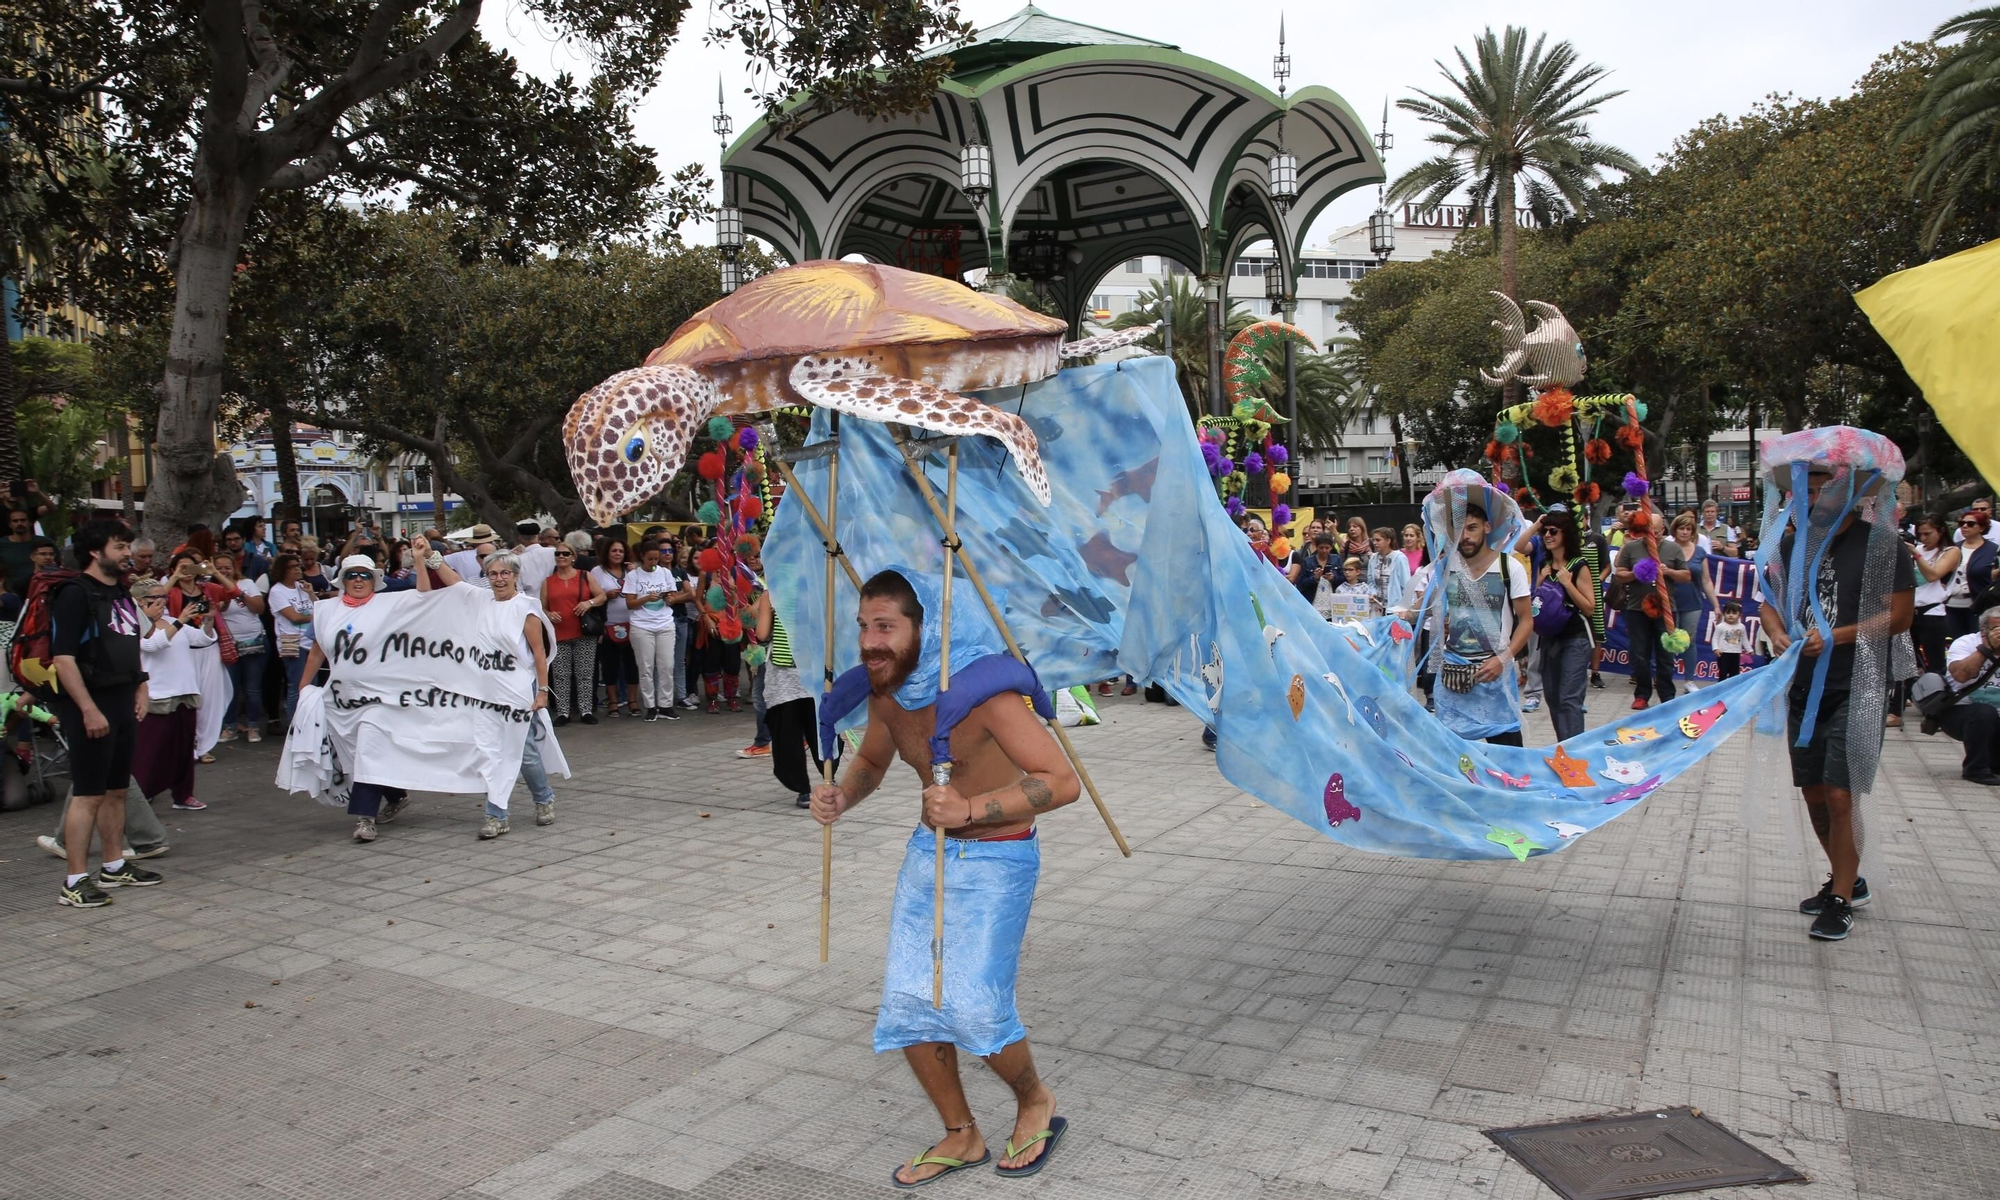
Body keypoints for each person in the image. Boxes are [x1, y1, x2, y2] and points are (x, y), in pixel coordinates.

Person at [809, 569, 1081, 1184]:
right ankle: (962, 1134)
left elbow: (1062, 781)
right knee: (910, 1004)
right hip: (926, 856)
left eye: (885, 627)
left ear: (924, 628)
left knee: (976, 1008)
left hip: (1000, 858)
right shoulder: (889, 693)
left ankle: (1035, 1100)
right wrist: (843, 796)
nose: (869, 642)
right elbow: (872, 758)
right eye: (863, 626)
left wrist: (971, 809)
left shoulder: (984, 695)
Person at [1762, 454, 1916, 942]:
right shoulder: (1791, 545)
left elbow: (1900, 616)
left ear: (1849, 492)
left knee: (1840, 793)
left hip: (1860, 684)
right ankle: (1849, 878)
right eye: (1805, 491)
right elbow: (1768, 604)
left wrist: (1837, 636)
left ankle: (1841, 898)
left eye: (1824, 489)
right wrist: (1777, 633)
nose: (1813, 499)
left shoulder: (1882, 546)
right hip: (1805, 686)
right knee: (1813, 793)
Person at [411, 540, 563, 838]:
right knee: (490, 752)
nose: (499, 579)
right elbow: (453, 580)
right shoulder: (481, 600)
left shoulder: (525, 608)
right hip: (485, 692)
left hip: (518, 689)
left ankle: (543, 798)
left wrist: (542, 691)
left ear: (515, 575)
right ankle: (496, 816)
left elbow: (538, 653)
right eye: (493, 573)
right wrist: (428, 554)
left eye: (505, 573)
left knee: (524, 753)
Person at [50, 520, 159, 908]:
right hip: (91, 703)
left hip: (122, 698)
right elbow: (63, 659)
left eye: (128, 546)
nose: (128, 553)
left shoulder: (122, 592)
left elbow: (131, 644)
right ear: (96, 552)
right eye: (120, 546)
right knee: (88, 793)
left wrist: (141, 686)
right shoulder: (74, 594)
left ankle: (113, 865)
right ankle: (74, 880)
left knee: (116, 789)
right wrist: (88, 709)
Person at [1424, 492, 1532, 746]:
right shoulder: (1447, 567)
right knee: (1453, 754)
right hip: (1453, 675)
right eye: (1459, 529)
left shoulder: (1509, 567)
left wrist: (1502, 660)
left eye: (1472, 528)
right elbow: (1426, 606)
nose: (1465, 536)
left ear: (1487, 527)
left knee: (1508, 753)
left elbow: (1526, 621)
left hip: (1493, 674)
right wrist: (1397, 616)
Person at [130, 578, 211, 812]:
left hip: (185, 690)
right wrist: (181, 620)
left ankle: (183, 795)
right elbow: (152, 645)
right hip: (158, 694)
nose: (162, 601)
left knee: (184, 749)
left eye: (163, 597)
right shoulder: (135, 624)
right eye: (156, 597)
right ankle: (142, 793)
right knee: (151, 749)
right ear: (140, 601)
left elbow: (201, 639)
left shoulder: (172, 621)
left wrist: (208, 620)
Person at [1613, 513, 1691, 709]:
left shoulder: (1673, 549)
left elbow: (1686, 576)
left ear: (1662, 531)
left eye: (1655, 533)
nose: (1652, 537)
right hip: (1637, 609)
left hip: (1665, 609)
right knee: (1640, 654)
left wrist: (1669, 571)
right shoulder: (1631, 547)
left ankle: (1667, 695)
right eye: (1648, 532)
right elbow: (1619, 574)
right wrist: (1636, 573)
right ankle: (1642, 694)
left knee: (1665, 655)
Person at [1535, 509, 1596, 742]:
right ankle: (1564, 746)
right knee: (1552, 696)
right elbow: (1534, 602)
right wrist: (1540, 581)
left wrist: (1568, 584)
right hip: (1549, 638)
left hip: (1575, 638)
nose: (1547, 535)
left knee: (1569, 698)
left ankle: (1574, 751)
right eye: (1545, 531)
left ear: (1565, 534)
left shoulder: (1579, 565)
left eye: (1553, 531)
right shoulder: (1544, 565)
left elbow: (1589, 607)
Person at [540, 542, 605, 726]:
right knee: (560, 675)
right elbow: (541, 607)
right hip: (559, 633)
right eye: (558, 554)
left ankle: (586, 710)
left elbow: (602, 596)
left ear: (573, 557)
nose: (561, 556)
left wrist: (588, 603)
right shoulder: (548, 581)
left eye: (565, 553)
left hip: (583, 632)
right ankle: (563, 712)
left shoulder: (584, 576)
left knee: (585, 673)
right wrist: (549, 614)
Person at [623, 540, 686, 721]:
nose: (653, 562)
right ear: (642, 557)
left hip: (664, 624)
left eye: (656, 559)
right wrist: (645, 598)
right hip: (642, 626)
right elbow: (630, 603)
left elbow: (672, 596)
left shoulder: (665, 572)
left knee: (667, 666)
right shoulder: (633, 575)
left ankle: (666, 705)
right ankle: (650, 706)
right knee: (646, 668)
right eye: (650, 559)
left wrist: (670, 598)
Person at [1939, 608, 2000, 786]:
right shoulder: (1965, 643)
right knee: (1984, 713)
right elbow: (1961, 675)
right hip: (1961, 712)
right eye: (1996, 629)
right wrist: (1987, 648)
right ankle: (1975, 769)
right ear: (1984, 631)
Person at [212, 552, 267, 743]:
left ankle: (253, 726)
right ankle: (230, 727)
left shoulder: (247, 583)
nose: (224, 571)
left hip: (254, 640)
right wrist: (226, 594)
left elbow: (259, 608)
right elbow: (219, 609)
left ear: (234, 567)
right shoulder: (211, 588)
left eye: (227, 567)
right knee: (230, 688)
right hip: (229, 645)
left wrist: (238, 593)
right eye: (219, 568)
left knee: (252, 688)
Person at [591, 536, 640, 717]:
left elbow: (643, 593)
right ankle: (613, 701)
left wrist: (636, 573)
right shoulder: (597, 571)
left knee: (632, 665)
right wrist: (606, 595)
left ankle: (632, 701)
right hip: (608, 625)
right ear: (607, 553)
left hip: (633, 623)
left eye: (621, 551)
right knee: (609, 666)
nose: (618, 554)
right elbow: (592, 595)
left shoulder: (632, 571)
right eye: (614, 551)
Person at [1669, 513, 1721, 683]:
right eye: (1681, 528)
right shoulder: (1666, 549)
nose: (1684, 532)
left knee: (1689, 641)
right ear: (1675, 530)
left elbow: (1706, 580)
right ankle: (1664, 677)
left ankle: (1689, 680)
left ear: (1692, 532)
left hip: (1692, 602)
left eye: (1688, 529)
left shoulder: (1699, 552)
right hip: (1669, 601)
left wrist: (1716, 605)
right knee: (1668, 640)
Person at [268, 553, 316, 723]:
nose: (298, 569)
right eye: (292, 567)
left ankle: (310, 722)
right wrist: (315, 616)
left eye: (298, 565)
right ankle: (293, 725)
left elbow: (318, 606)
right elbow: (294, 617)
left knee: (312, 685)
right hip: (291, 641)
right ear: (283, 570)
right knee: (296, 685)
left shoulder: (302, 586)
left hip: (310, 641)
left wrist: (311, 593)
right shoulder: (277, 591)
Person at [1911, 514, 1959, 678]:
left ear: (1941, 531)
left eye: (1928, 534)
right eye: (1920, 534)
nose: (1923, 538)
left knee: (1935, 662)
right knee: (1910, 662)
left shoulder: (1950, 551)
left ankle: (1938, 690)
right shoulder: (1918, 549)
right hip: (1911, 610)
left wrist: (1916, 555)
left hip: (1932, 611)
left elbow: (1933, 575)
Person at [738, 541, 773, 759]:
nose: (753, 558)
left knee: (763, 695)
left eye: (758, 555)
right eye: (749, 555)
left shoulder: (772, 587)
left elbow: (760, 630)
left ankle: (764, 742)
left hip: (775, 649)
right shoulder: (744, 579)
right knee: (763, 695)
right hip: (763, 647)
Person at [1945, 511, 1996, 638]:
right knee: (1954, 642)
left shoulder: (1993, 550)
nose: (1965, 526)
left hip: (1979, 607)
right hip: (1950, 606)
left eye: (1971, 523)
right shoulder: (1952, 548)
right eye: (1962, 523)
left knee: (1978, 641)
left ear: (1982, 528)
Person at [1364, 527, 1412, 618]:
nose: (1375, 543)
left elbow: (1407, 585)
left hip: (1395, 609)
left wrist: (1405, 608)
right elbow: (1371, 582)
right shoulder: (1373, 559)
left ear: (1388, 541)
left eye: (1378, 540)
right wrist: (1373, 593)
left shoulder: (1399, 558)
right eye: (1373, 540)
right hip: (1377, 608)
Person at [1295, 535, 1341, 619]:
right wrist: (1314, 578)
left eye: (1327, 548)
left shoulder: (1337, 559)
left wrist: (1333, 578)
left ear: (1331, 547)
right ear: (1316, 547)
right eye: (1321, 548)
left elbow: (1344, 580)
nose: (1324, 550)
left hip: (1333, 603)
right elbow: (1300, 584)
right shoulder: (1307, 561)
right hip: (1312, 602)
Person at [0, 505, 39, 593]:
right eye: (15, 521)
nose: (19, 523)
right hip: (9, 594)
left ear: (30, 523)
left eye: (23, 520)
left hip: (38, 591)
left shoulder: (43, 542)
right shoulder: (1, 544)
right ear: (10, 524)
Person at [1712, 602, 1750, 680]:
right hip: (1723, 653)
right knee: (1723, 672)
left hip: (1736, 653)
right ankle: (1721, 686)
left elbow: (1744, 639)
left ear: (1740, 615)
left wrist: (1749, 649)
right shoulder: (1720, 626)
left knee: (1734, 673)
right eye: (1728, 613)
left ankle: (1732, 687)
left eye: (1734, 613)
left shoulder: (1741, 627)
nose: (1731, 615)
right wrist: (1716, 648)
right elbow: (1715, 638)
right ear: (1724, 614)